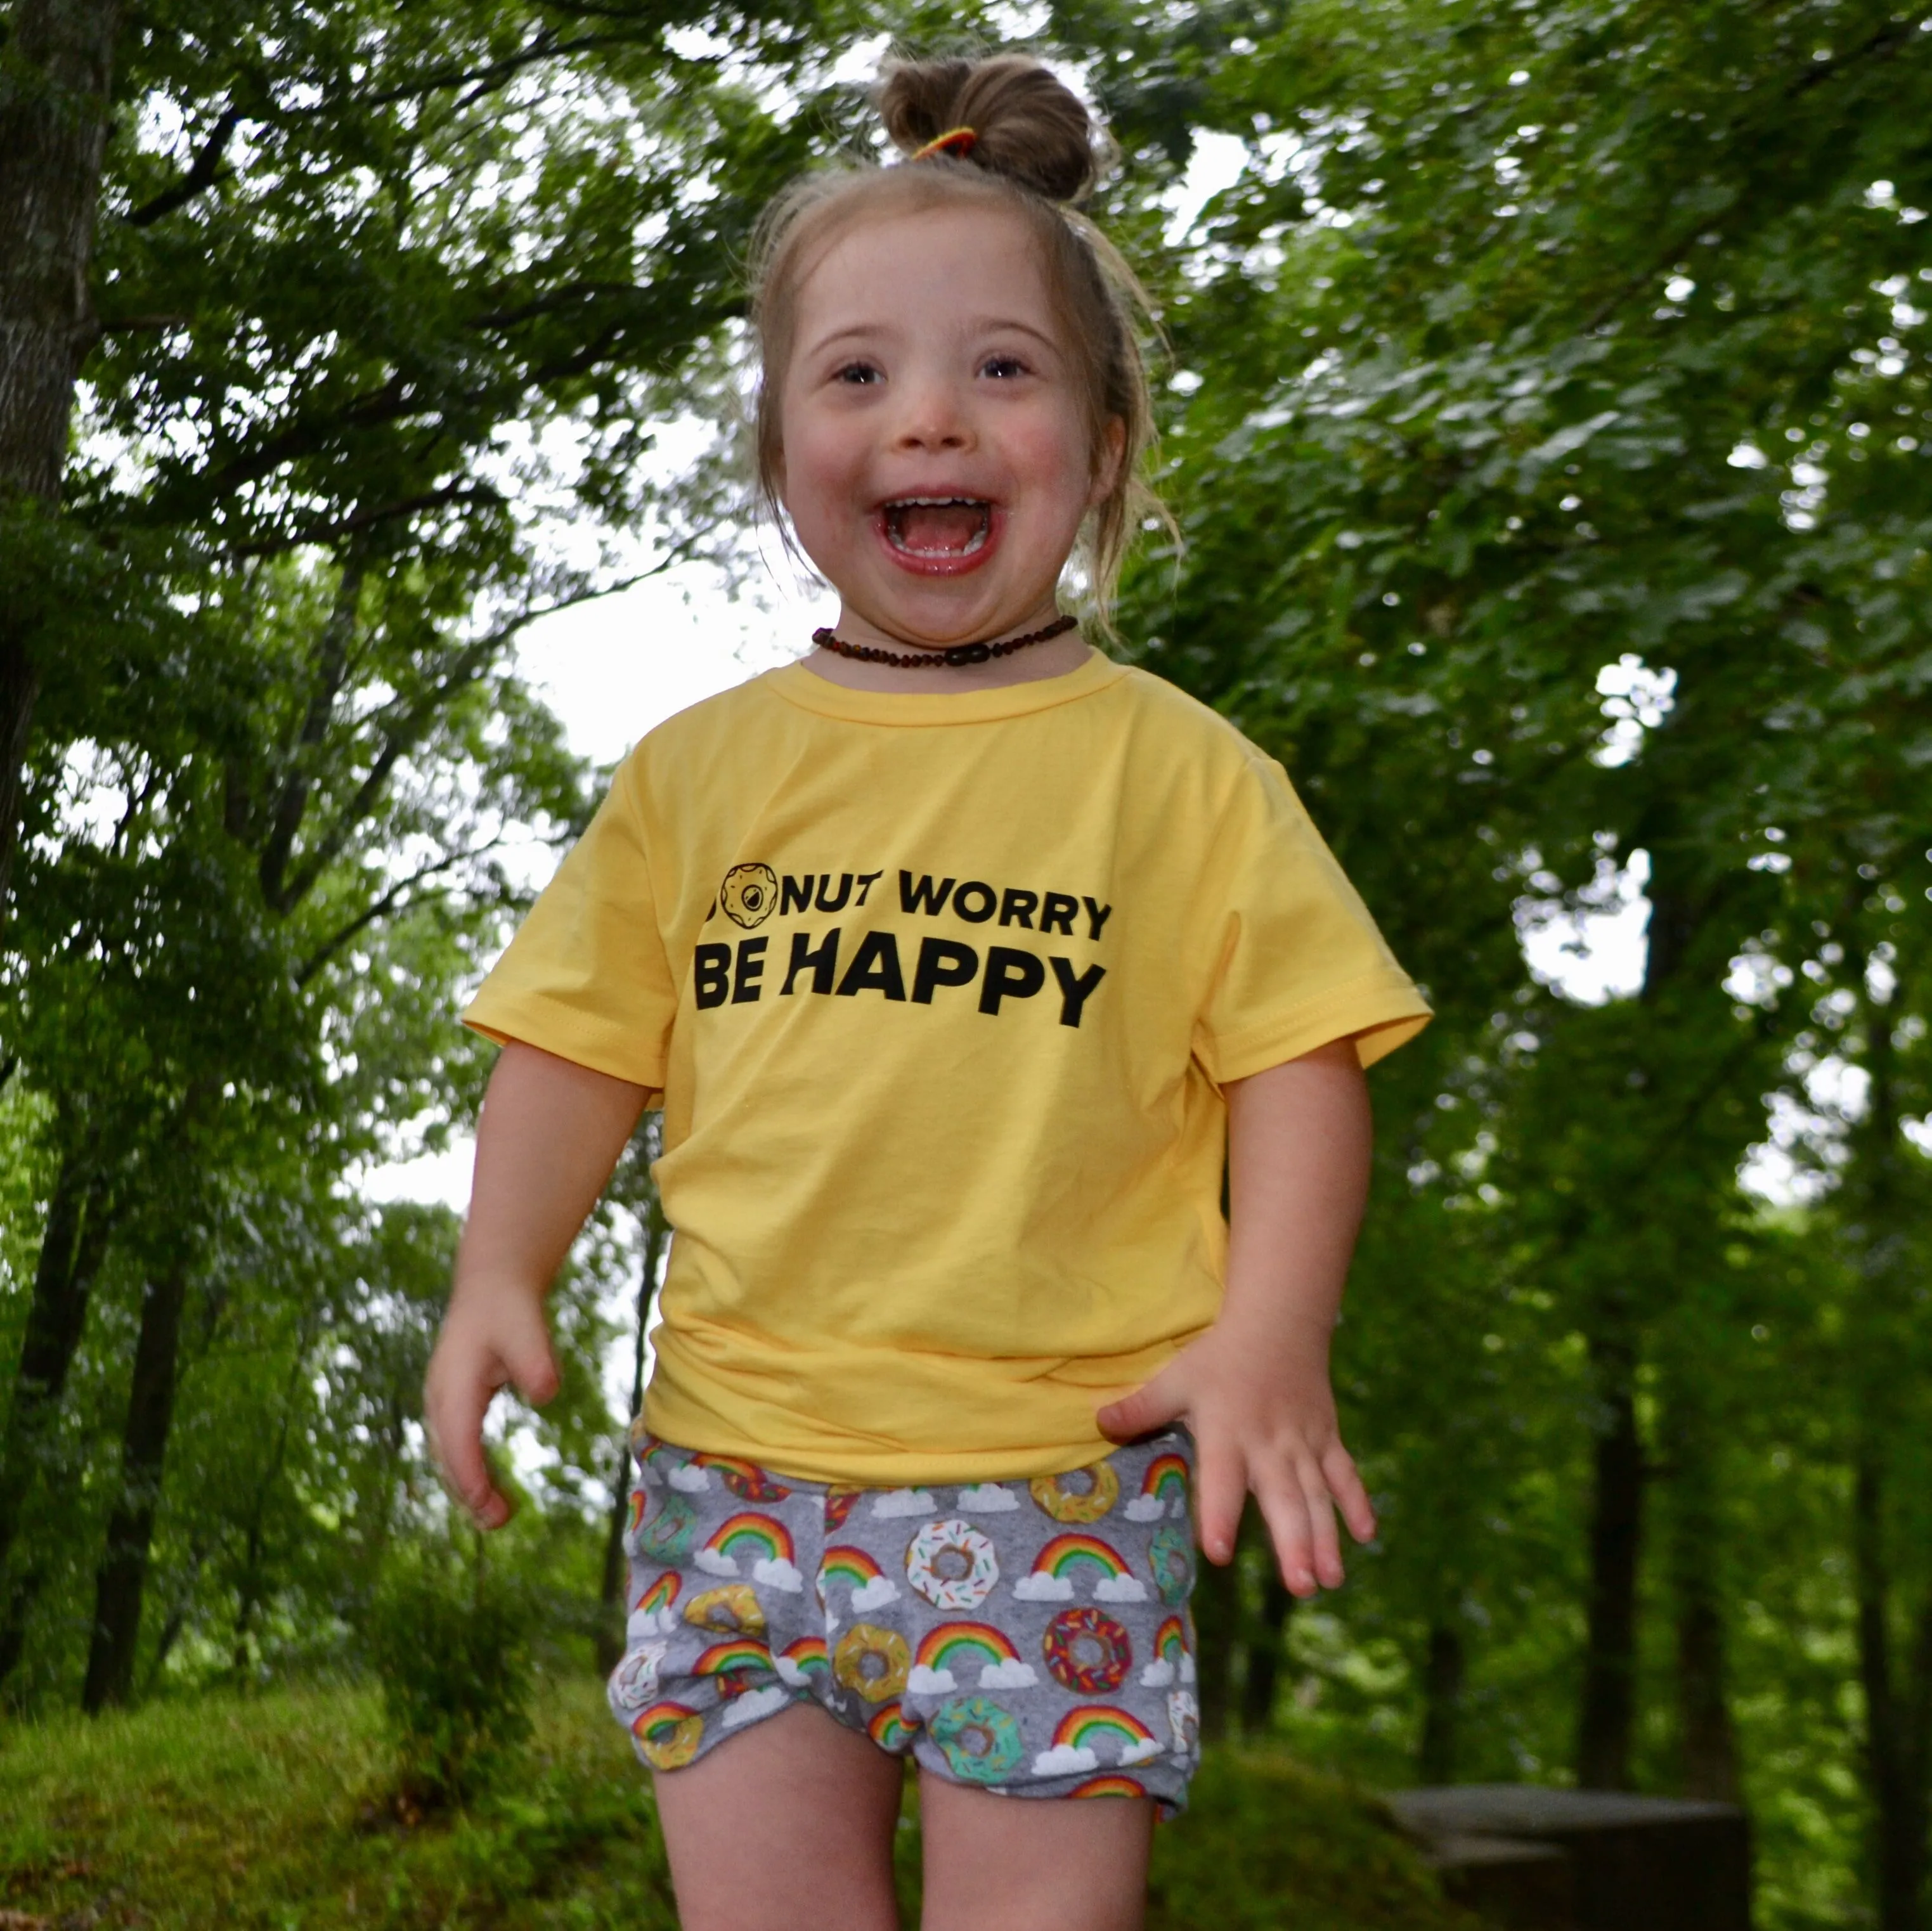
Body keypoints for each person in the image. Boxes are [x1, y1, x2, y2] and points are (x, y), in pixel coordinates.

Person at [424, 49, 1430, 1931]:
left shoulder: (1182, 774)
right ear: (779, 445)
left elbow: (1303, 1056)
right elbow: (573, 1041)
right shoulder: (697, 773)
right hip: (732, 1467)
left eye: (1002, 368)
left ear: (1106, 441)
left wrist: (1268, 1332)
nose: (930, 422)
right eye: (859, 372)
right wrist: (499, 1269)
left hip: (1060, 1476)